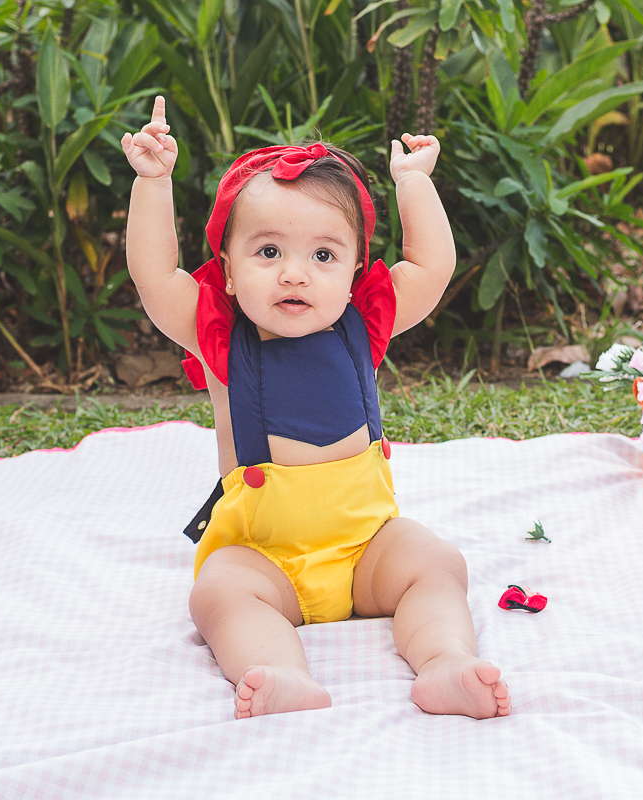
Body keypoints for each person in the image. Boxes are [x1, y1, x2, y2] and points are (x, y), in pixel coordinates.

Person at [121, 96, 511, 721]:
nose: (294, 275)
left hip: (367, 547)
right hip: (267, 558)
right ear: (225, 269)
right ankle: (276, 670)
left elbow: (432, 266)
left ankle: (444, 663)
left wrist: (413, 182)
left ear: (356, 269)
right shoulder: (218, 333)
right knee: (220, 588)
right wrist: (153, 182)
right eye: (268, 252)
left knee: (437, 563)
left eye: (323, 256)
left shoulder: (366, 323)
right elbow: (154, 273)